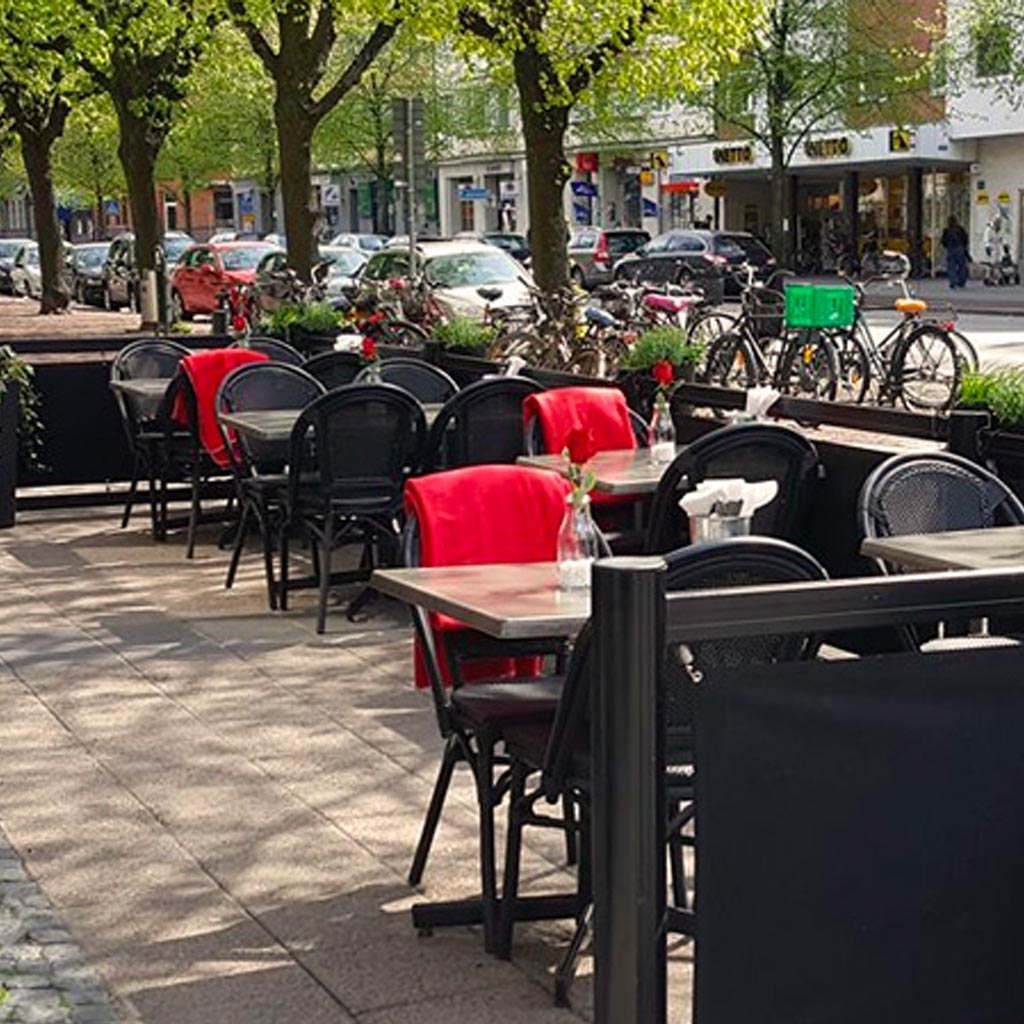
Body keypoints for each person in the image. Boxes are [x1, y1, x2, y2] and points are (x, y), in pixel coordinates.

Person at [941, 215, 969, 289]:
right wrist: (964, 247)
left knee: (951, 267)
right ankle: (961, 281)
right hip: (960, 248)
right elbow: (965, 238)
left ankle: (952, 282)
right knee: (961, 266)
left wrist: (946, 246)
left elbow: (943, 241)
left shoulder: (946, 230)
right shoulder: (960, 229)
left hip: (951, 249)